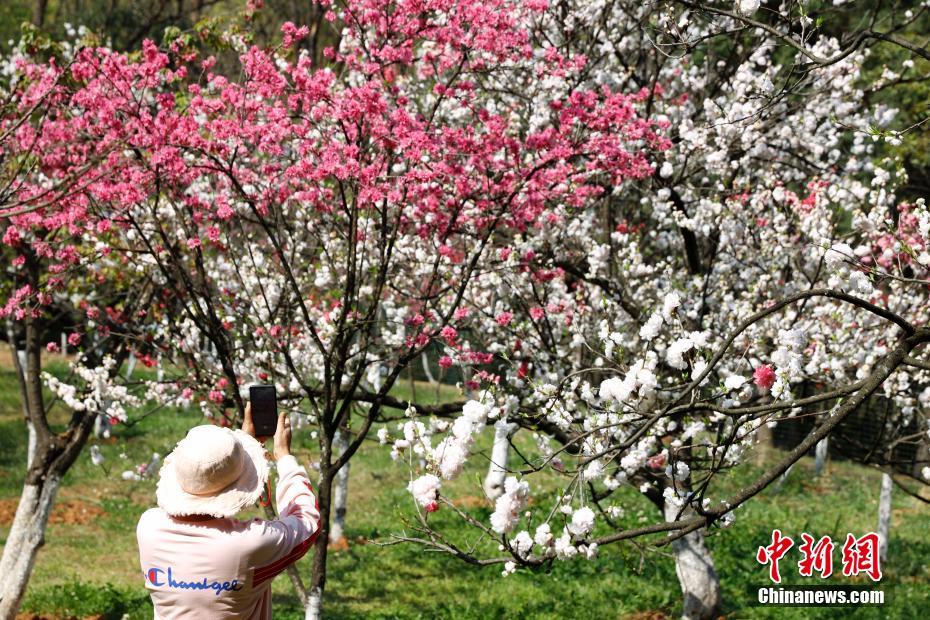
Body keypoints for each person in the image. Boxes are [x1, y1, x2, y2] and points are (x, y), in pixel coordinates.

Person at [136, 403, 320, 619]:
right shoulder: (249, 544)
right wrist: (284, 457)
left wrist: (238, 453)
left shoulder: (149, 527)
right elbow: (307, 521)